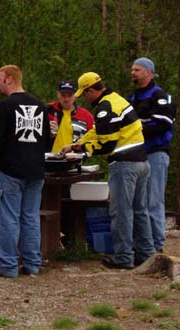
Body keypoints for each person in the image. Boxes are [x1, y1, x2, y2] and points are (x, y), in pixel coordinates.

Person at [62, 72, 156, 269]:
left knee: (121, 212)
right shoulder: (116, 100)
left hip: (124, 164)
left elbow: (107, 144)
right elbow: (99, 131)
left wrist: (84, 151)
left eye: (84, 93)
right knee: (140, 210)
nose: (85, 99)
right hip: (141, 161)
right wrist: (78, 144)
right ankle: (146, 255)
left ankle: (123, 257)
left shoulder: (105, 108)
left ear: (90, 90)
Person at [0, 64, 50, 277]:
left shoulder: (3, 107)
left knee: (8, 219)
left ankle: (8, 266)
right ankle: (32, 265)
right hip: (35, 170)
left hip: (9, 171)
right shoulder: (41, 106)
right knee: (30, 218)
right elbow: (46, 140)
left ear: (9, 80)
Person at [128, 57, 176, 253]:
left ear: (149, 72)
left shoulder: (160, 96)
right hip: (137, 155)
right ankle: (143, 245)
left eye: (137, 70)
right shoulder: (133, 97)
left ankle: (157, 246)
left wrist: (136, 129)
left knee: (153, 200)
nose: (133, 73)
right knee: (138, 201)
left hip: (155, 154)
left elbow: (163, 124)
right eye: (132, 69)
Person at [46, 81, 94, 153]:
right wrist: (46, 130)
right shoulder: (47, 109)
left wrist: (85, 155)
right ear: (58, 94)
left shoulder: (86, 116)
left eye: (70, 95)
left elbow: (93, 138)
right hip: (49, 159)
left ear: (75, 95)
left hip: (74, 160)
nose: (66, 99)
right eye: (63, 95)